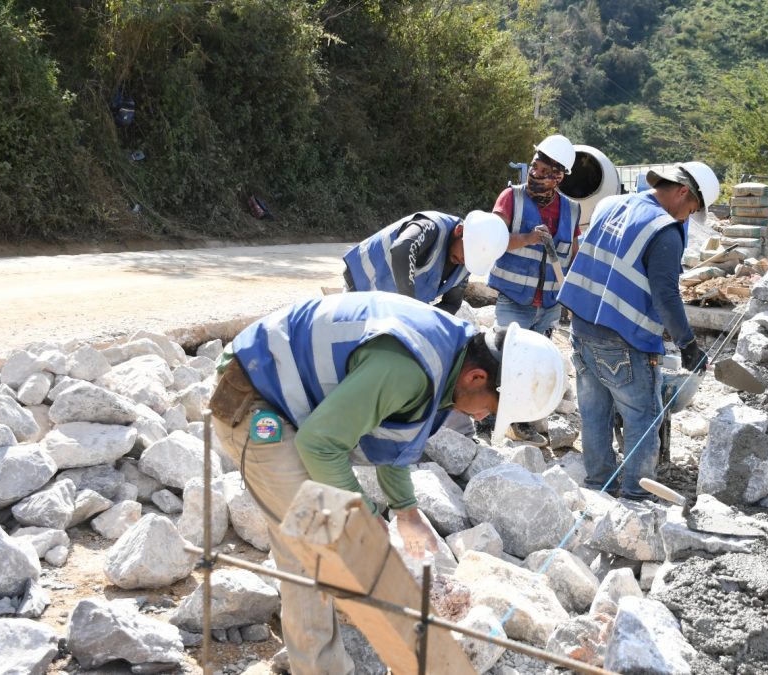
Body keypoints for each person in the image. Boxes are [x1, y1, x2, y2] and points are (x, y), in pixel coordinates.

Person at [208, 292, 564, 675]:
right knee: (312, 544)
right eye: (489, 410)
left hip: (292, 404)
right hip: (255, 401)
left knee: (336, 534)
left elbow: (395, 429)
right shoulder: (409, 368)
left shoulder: (453, 355)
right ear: (477, 377)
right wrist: (363, 515)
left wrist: (405, 509)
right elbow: (319, 444)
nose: (480, 418)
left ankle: (331, 623)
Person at [558, 161, 719, 500]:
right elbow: (666, 294)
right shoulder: (664, 229)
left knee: (594, 414)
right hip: (624, 340)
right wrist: (688, 344)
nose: (687, 217)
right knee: (643, 418)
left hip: (582, 328)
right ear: (682, 192)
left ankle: (599, 486)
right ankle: (636, 496)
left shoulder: (611, 205)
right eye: (692, 209)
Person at [488, 134, 581, 444]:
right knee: (502, 358)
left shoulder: (571, 210)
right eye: (535, 168)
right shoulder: (511, 198)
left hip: (550, 305)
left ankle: (522, 421)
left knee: (534, 365)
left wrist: (575, 298)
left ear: (559, 176)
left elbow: (574, 257)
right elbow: (491, 241)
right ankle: (488, 418)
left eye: (545, 172)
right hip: (514, 299)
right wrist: (527, 238)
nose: (537, 175)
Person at [342, 210, 509, 314]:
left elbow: (451, 304)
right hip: (360, 283)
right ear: (460, 231)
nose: (464, 260)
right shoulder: (433, 226)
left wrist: (423, 318)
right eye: (468, 252)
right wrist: (409, 305)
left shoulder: (466, 264)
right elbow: (402, 249)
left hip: (384, 307)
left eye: (473, 258)